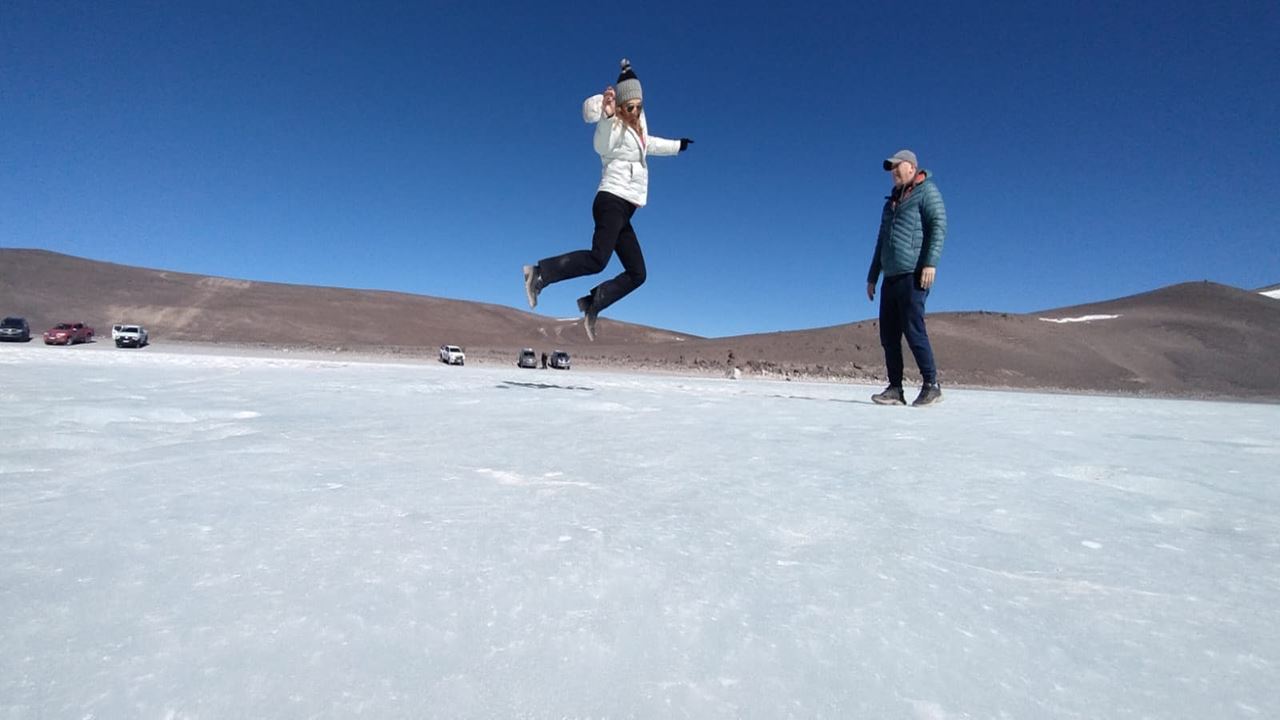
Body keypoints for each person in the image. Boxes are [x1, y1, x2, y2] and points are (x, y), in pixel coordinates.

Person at [522, 59, 692, 341]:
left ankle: (593, 303)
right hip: (610, 199)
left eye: (638, 105)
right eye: (630, 105)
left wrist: (678, 146)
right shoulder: (612, 126)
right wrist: (607, 116)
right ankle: (540, 274)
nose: (634, 110)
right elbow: (601, 144)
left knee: (638, 273)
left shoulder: (639, 130)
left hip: (625, 210)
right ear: (621, 104)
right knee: (598, 259)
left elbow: (652, 144)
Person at [866, 149, 947, 406]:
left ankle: (931, 384)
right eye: (891, 168)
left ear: (911, 167)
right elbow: (881, 242)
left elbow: (938, 225)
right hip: (890, 276)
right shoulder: (889, 203)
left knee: (913, 330)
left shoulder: (927, 192)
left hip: (914, 273)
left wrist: (930, 263)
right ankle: (895, 388)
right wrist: (872, 277)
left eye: (897, 166)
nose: (893, 172)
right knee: (889, 335)